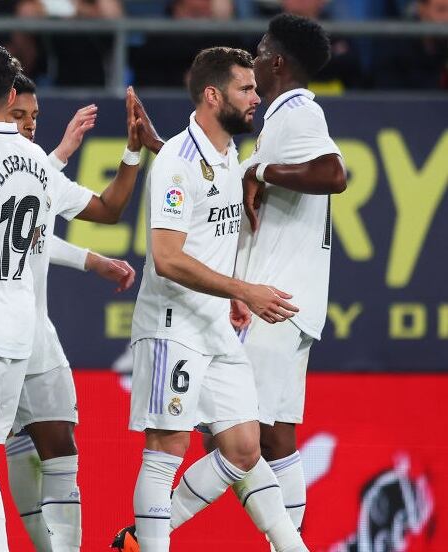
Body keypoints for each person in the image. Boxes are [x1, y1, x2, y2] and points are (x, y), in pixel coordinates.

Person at [0, 72, 143, 551]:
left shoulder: (10, 159)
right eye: (20, 116)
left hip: (23, 331)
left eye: (34, 118)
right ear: (1, 104)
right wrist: (60, 158)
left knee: (20, 449)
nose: (27, 126)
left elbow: (16, 226)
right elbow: (12, 215)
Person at [127, 47, 307, 552]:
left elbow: (202, 211)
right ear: (213, 95)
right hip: (172, 324)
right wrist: (240, 288)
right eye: (246, 90)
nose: (257, 98)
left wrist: (227, 294)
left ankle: (139, 540)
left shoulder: (225, 154)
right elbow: (167, 257)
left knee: (246, 447)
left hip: (213, 323)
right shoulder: (179, 164)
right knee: (167, 448)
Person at [236, 13, 347, 544]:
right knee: (275, 436)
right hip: (287, 299)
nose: (253, 58)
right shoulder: (282, 116)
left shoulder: (298, 111)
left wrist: (259, 171)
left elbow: (333, 174)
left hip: (278, 301)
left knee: (235, 434)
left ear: (277, 62)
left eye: (259, 50)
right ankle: (293, 540)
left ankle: (150, 531)